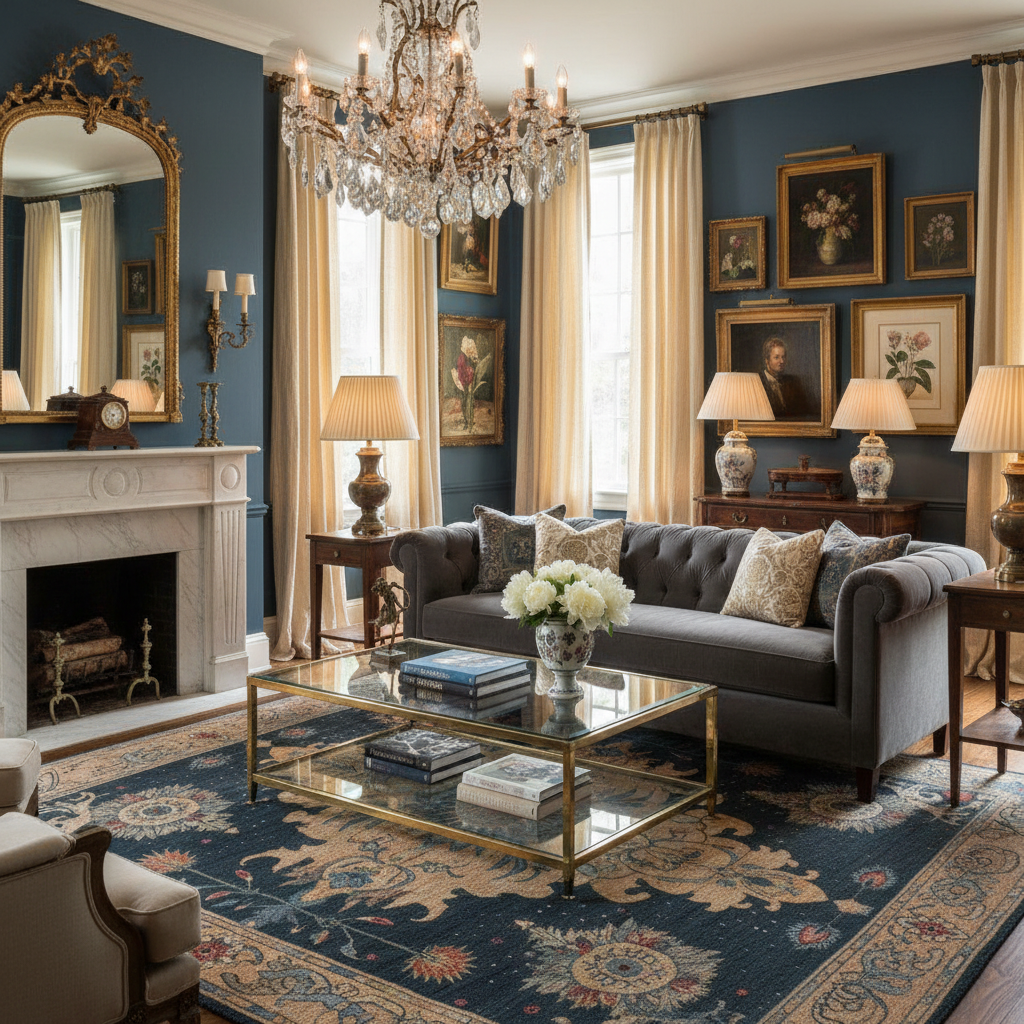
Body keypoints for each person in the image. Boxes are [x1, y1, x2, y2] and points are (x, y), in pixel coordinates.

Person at [758, 337, 812, 419]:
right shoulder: (757, 382)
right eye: (777, 357)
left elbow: (802, 412)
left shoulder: (792, 382)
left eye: (783, 357)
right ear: (767, 360)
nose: (782, 361)